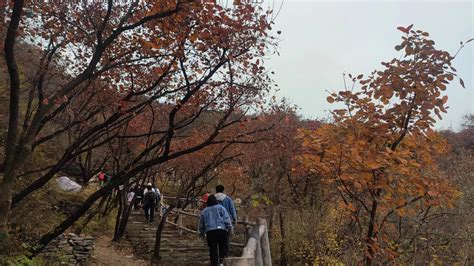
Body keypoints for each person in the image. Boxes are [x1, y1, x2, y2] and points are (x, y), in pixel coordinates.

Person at [198, 195, 233, 266]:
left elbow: (201, 224)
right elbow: (227, 219)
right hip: (222, 230)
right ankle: (221, 262)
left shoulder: (205, 211)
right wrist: (230, 229)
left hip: (210, 232)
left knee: (213, 249)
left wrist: (201, 233)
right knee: (223, 247)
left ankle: (214, 263)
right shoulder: (221, 208)